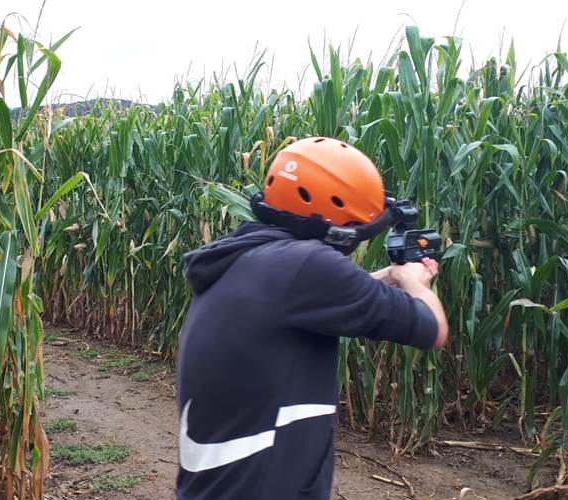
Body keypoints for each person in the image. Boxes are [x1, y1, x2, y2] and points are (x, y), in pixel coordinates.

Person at [174, 137, 449, 499]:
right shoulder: (308, 268)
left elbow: (327, 297)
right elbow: (432, 328)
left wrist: (393, 277)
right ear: (338, 228)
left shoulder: (246, 256)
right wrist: (416, 282)